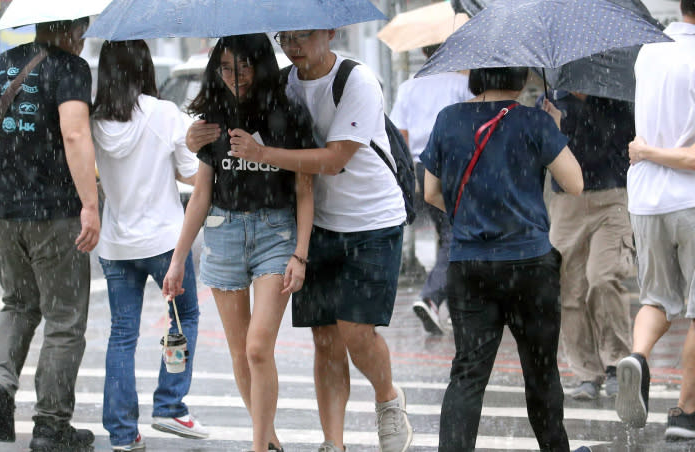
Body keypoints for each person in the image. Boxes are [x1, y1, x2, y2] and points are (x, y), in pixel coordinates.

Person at [222, 29, 413, 452]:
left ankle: (387, 398)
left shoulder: (356, 80)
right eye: (284, 37)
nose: (292, 45)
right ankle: (334, 442)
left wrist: (264, 153)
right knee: (325, 338)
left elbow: (334, 159)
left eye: (303, 36)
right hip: (317, 225)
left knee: (356, 331)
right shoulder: (283, 85)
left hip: (372, 222)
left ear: (330, 32)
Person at [162, 33, 315, 452]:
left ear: (260, 64)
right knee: (239, 352)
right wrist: (177, 261)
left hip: (275, 233)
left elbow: (304, 188)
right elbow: (202, 193)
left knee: (258, 347)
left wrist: (300, 253)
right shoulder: (213, 116)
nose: (235, 77)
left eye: (243, 67)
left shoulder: (285, 110)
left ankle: (257, 447)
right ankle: (270, 442)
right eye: (226, 68)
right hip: (223, 233)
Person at [420, 66, 583, 451]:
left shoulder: (449, 119)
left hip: (469, 265)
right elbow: (574, 183)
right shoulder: (534, 122)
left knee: (467, 375)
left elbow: (430, 192)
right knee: (541, 372)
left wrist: (473, 214)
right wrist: (553, 127)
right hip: (529, 265)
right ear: (522, 75)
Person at [0, 18, 99, 452]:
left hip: (3, 207)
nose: (83, 40)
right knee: (64, 320)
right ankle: (50, 426)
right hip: (54, 211)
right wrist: (90, 204)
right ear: (69, 29)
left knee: (19, 303)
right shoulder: (71, 69)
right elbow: (75, 132)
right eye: (82, 31)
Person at [91, 40, 209, 451]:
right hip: (164, 242)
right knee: (185, 317)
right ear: (144, 67)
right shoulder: (164, 114)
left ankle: (123, 433)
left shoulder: (95, 121)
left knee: (121, 335)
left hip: (117, 244)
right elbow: (194, 176)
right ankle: (170, 404)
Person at [615, 0, 695, 440]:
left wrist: (647, 152)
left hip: (646, 200)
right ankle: (684, 413)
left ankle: (637, 357)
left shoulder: (648, 52)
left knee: (656, 299)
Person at [538, 91, 634, 400]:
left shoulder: (615, 95)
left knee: (604, 279)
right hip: (567, 203)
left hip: (612, 198)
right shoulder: (551, 99)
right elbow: (544, 156)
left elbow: (613, 146)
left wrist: (568, 126)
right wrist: (549, 125)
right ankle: (585, 373)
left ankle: (617, 364)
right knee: (568, 288)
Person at [389, 44, 473, 335]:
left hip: (422, 167)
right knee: (456, 236)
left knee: (445, 234)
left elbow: (400, 133)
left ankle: (450, 302)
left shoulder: (409, 87)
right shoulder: (462, 84)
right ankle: (432, 298)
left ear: (423, 51)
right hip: (455, 164)